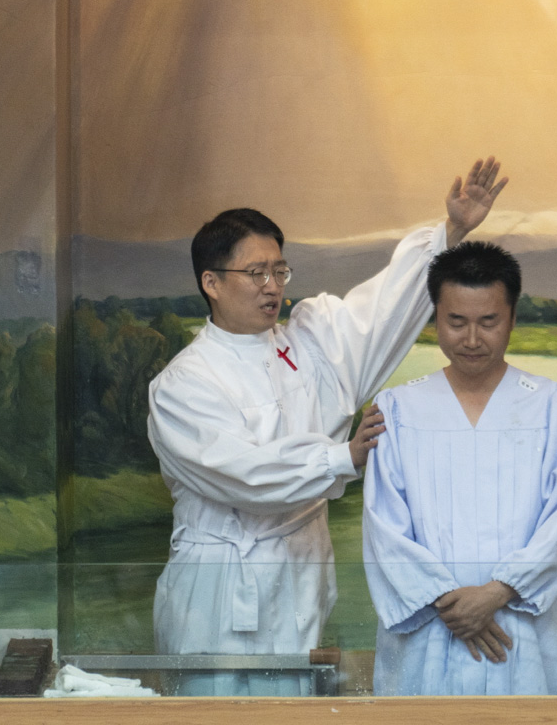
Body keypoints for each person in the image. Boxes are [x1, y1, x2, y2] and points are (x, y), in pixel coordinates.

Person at [145, 160, 508, 695]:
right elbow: (243, 475)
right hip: (221, 586)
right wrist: (343, 457)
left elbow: (380, 311)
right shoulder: (183, 384)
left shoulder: (307, 344)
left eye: (280, 271)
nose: (272, 286)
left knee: (295, 716)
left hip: (300, 571)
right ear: (211, 283)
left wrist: (450, 234)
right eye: (256, 273)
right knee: (216, 722)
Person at [361, 241, 557, 696]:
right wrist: (452, 606)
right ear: (435, 318)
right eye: (456, 322)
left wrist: (498, 592)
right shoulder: (398, 408)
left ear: (512, 318)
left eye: (488, 322)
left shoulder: (554, 405)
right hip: (433, 626)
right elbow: (383, 524)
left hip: (526, 625)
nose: (471, 339)